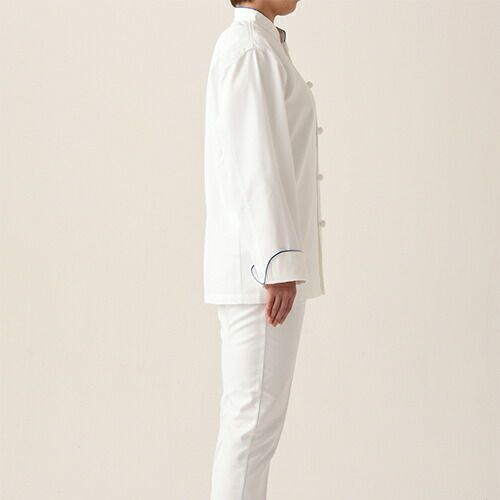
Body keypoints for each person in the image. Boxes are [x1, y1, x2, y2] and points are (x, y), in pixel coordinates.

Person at [203, 1, 326, 498]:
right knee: (250, 430)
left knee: (252, 429)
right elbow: (255, 163)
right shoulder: (249, 49)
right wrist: (279, 262)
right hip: (261, 273)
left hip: (261, 268)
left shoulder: (261, 45)